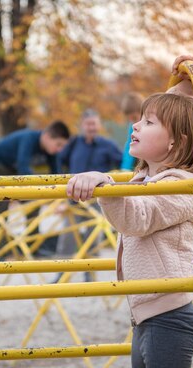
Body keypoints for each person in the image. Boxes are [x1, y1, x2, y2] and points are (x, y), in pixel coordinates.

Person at [65, 55, 193, 368]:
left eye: (148, 121)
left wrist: (103, 182)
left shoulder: (183, 186)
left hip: (169, 316)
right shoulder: (145, 181)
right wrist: (181, 80)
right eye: (139, 118)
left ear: (176, 142)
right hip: (144, 316)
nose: (135, 125)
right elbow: (132, 203)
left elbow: (138, 218)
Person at [55, 109, 122, 280]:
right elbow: (59, 161)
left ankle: (89, 274)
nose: (91, 127)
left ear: (99, 125)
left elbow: (122, 166)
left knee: (92, 237)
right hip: (74, 197)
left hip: (95, 199)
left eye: (94, 123)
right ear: (82, 125)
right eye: (88, 124)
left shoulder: (108, 146)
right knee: (68, 235)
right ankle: (62, 273)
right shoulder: (74, 144)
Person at [0, 120, 70, 215]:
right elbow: (23, 167)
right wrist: (41, 189)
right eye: (58, 144)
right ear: (47, 136)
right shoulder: (29, 138)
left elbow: (57, 174)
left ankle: (34, 230)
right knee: (2, 201)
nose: (60, 149)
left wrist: (61, 198)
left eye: (63, 147)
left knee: (32, 203)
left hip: (12, 166)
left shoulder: (50, 151)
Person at [119, 92, 144, 171]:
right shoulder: (132, 126)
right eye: (129, 119)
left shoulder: (149, 126)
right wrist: (125, 168)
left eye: (134, 118)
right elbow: (129, 147)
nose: (133, 122)